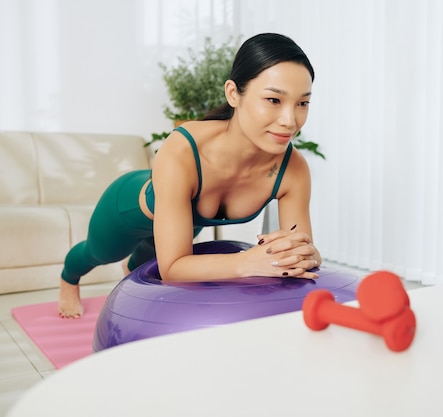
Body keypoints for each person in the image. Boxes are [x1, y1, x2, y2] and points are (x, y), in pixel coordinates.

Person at [58, 33, 322, 318]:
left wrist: (306, 256)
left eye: (302, 103)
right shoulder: (183, 148)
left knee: (144, 263)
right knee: (97, 254)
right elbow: (173, 269)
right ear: (233, 93)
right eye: (273, 99)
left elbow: (302, 251)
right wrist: (248, 262)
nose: (290, 120)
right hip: (126, 210)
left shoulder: (293, 169)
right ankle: (68, 280)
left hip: (182, 217)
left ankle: (130, 269)